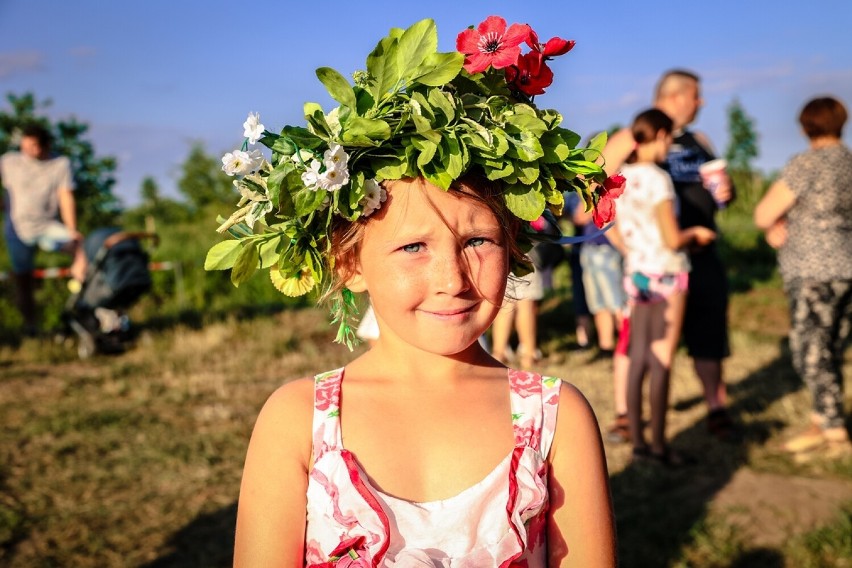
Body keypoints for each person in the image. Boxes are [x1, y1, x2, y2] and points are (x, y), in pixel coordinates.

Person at [221, 17, 617, 565]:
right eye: (413, 248)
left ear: (515, 247)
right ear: (349, 263)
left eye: (478, 240)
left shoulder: (556, 418)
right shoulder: (296, 422)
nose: (452, 279)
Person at [603, 69, 737, 441]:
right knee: (640, 342)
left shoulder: (699, 140)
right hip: (656, 261)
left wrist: (727, 189)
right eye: (697, 95)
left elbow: (721, 186)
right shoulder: (633, 138)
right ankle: (628, 417)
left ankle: (716, 408)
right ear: (677, 97)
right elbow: (593, 194)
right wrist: (624, 245)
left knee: (709, 333)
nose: (702, 102)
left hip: (702, 256)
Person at [613, 109, 716, 466]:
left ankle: (638, 443)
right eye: (668, 137)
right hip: (668, 273)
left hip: (637, 272)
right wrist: (697, 235)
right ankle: (659, 444)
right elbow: (672, 239)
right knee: (662, 360)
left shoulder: (621, 178)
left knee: (638, 356)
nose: (669, 144)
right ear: (657, 134)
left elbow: (609, 224)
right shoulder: (658, 179)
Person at [754, 96, 852, 456]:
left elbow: (765, 213)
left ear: (806, 126)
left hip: (813, 269)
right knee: (832, 348)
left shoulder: (806, 165)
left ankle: (832, 427)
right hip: (847, 269)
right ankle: (823, 417)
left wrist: (773, 226)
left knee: (810, 351)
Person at [1, 123, 86, 335]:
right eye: (24, 145)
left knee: (79, 247)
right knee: (23, 281)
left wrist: (72, 229)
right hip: (16, 229)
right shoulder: (9, 162)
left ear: (45, 145)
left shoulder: (60, 164)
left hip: (47, 226)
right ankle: (30, 327)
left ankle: (83, 310)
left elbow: (66, 197)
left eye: (32, 147)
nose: (27, 151)